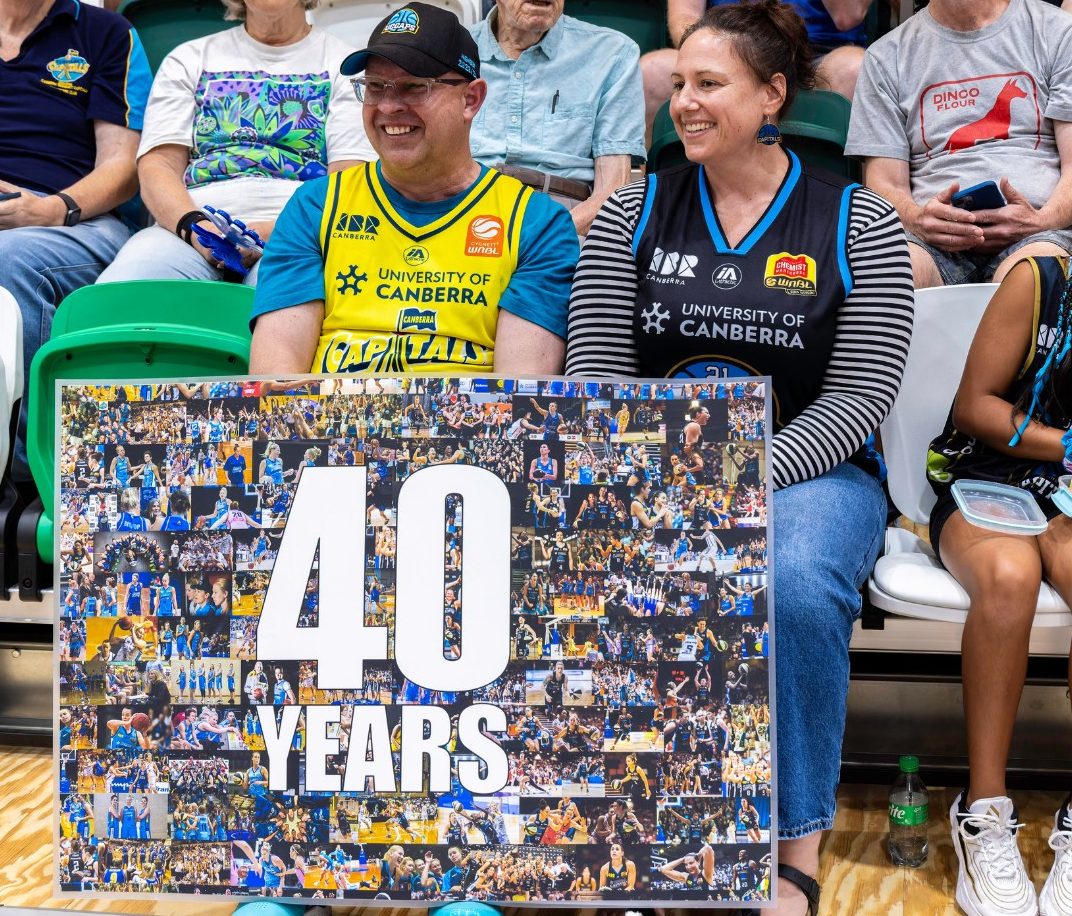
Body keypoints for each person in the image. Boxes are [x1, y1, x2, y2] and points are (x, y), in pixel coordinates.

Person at [565, 3, 913, 913]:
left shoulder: (858, 222)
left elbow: (858, 401)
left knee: (791, 581)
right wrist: (666, 476)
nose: (684, 102)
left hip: (812, 468)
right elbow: (596, 373)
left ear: (772, 96)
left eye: (709, 84)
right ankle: (642, 832)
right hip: (649, 464)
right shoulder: (632, 210)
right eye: (678, 83)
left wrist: (736, 473)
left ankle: (791, 848)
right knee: (603, 569)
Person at [248, 2, 577, 376]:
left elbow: (517, 392)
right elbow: (277, 383)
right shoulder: (317, 206)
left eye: (413, 87)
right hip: (328, 429)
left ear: (471, 99)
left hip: (462, 429)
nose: (388, 107)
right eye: (374, 87)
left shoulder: (536, 223)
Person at [925, 256, 1072, 916]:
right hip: (993, 477)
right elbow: (975, 406)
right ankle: (983, 812)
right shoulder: (1042, 280)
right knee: (1009, 577)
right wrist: (1066, 447)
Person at [97, 0, 373, 285]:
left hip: (298, 228)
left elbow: (347, 178)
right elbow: (159, 166)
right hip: (189, 227)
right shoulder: (188, 58)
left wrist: (271, 232)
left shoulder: (346, 65)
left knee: (283, 301)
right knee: (122, 290)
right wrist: (197, 230)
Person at [1, 0, 150, 481]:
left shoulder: (106, 32)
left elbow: (123, 168)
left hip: (76, 217)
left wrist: (48, 210)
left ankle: (29, 470)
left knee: (12, 258)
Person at [846, 0, 1072, 289]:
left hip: (1039, 233)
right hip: (932, 242)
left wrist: (1040, 221)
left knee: (1030, 275)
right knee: (888, 271)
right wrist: (919, 220)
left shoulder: (1057, 31)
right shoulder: (886, 57)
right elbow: (884, 185)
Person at [469, 0, 646, 235]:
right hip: (465, 208)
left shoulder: (612, 52)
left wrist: (552, 235)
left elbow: (613, 190)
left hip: (566, 218)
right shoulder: (451, 48)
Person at [640, 0, 869, 139]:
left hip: (818, 54)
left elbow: (847, 15)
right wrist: (719, 55)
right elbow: (684, 17)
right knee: (652, 71)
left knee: (855, 68)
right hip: (723, 50)